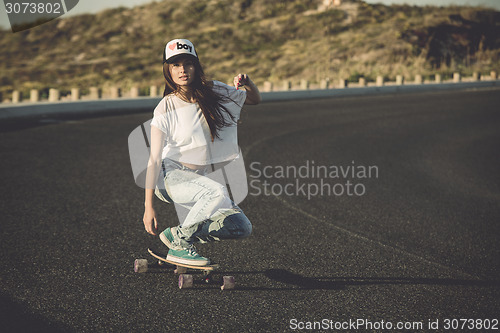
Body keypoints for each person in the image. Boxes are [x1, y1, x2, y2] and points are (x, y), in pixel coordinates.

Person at [142, 38, 261, 266]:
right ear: (168, 70)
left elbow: (255, 99)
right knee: (215, 192)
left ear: (196, 66)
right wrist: (148, 207)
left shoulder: (215, 91)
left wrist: (248, 82)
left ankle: (177, 235)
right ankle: (180, 241)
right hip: (171, 176)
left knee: (241, 226)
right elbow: (154, 159)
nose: (182, 70)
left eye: (187, 63)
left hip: (199, 180)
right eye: (175, 65)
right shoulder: (165, 107)